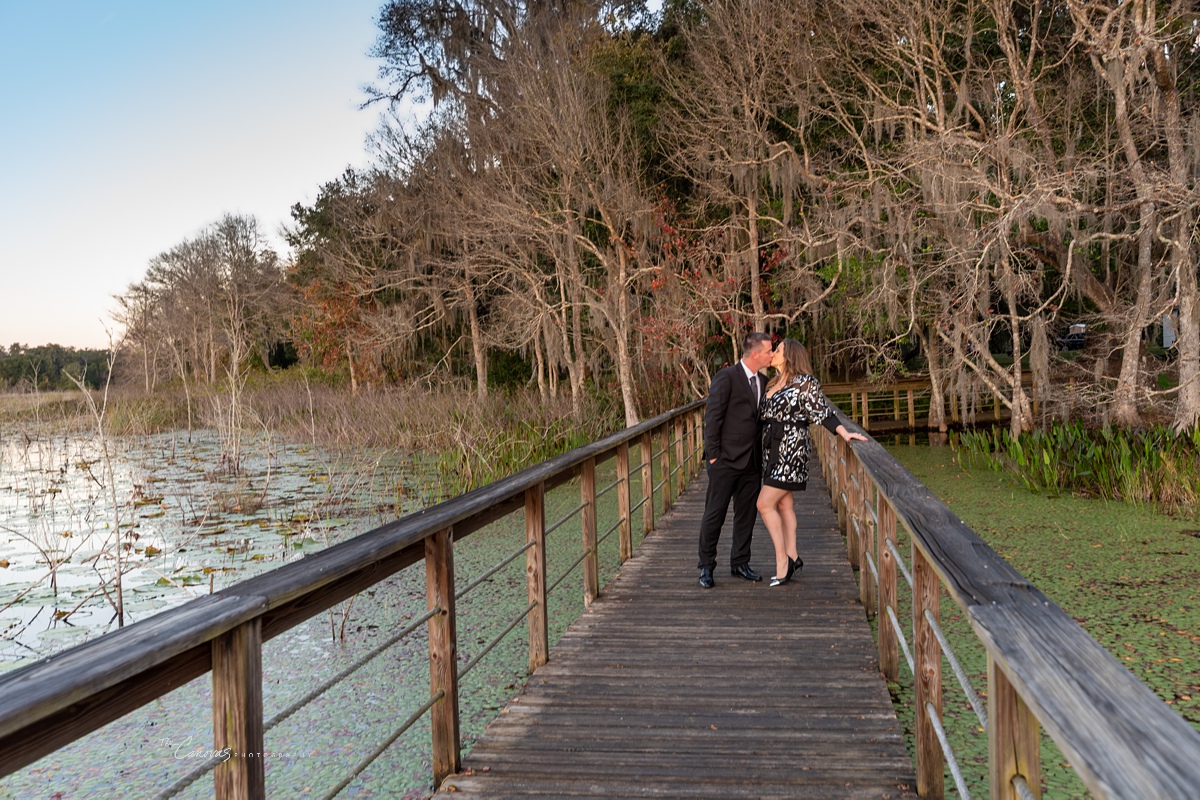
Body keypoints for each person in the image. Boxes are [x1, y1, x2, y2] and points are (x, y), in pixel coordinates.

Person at [757, 338, 867, 586]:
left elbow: (822, 413)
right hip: (771, 450)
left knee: (764, 504)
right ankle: (794, 555)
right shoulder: (772, 382)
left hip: (792, 451)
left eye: (778, 350)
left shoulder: (805, 383)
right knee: (784, 505)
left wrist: (845, 433)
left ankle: (782, 563)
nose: (773, 353)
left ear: (790, 355)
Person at [697, 331, 775, 588]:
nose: (771, 354)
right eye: (768, 351)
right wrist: (714, 457)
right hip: (725, 462)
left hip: (752, 464)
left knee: (746, 516)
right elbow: (713, 419)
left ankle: (740, 562)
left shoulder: (764, 382)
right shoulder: (727, 377)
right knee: (714, 515)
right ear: (754, 354)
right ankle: (706, 567)